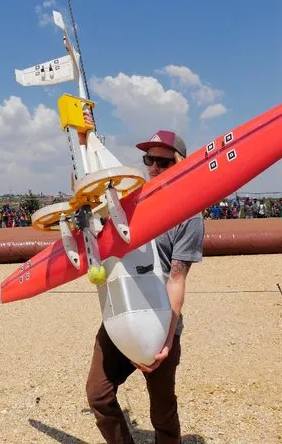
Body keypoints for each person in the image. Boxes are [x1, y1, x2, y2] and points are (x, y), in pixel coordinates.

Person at [84, 125, 205, 444]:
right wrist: (87, 135)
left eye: (163, 162)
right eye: (149, 159)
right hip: (123, 314)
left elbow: (177, 278)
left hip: (161, 320)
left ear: (182, 162)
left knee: (162, 411)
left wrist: (166, 339)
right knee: (98, 395)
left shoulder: (189, 213)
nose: (154, 167)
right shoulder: (127, 203)